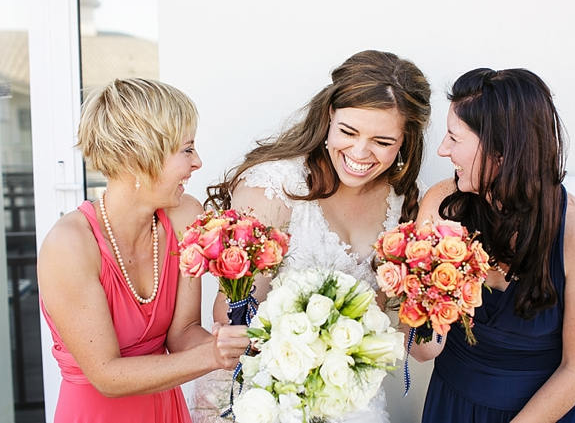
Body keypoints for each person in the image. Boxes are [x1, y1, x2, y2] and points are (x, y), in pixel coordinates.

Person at [189, 50, 431, 423]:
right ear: (329, 116)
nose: (360, 153)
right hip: (260, 399)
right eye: (348, 132)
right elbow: (229, 316)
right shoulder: (273, 188)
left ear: (405, 141)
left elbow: (409, 337)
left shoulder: (404, 204)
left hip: (351, 405)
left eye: (382, 141)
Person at [37, 78, 250, 423]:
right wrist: (215, 354)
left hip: (166, 408)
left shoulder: (184, 216)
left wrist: (257, 347)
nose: (197, 162)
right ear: (140, 156)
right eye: (186, 149)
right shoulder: (70, 245)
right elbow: (106, 376)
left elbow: (182, 333)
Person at [411, 68, 575, 422]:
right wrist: (407, 298)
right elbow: (426, 348)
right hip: (452, 406)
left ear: (501, 152)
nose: (443, 150)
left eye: (454, 138)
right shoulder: (444, 204)